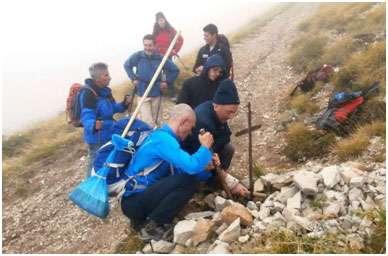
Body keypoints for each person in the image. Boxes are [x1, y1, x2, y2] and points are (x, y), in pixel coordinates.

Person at [120, 104, 214, 241]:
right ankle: (153, 226)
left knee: (187, 179)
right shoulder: (163, 140)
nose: (190, 132)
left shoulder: (163, 138)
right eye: (191, 127)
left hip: (137, 199)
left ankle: (144, 222)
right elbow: (191, 167)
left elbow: (180, 171)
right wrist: (205, 147)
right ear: (183, 122)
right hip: (134, 201)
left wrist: (205, 168)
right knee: (188, 182)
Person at [182, 79, 249, 197]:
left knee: (228, 149)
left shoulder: (217, 112)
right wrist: (232, 183)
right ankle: (199, 186)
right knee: (214, 157)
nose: (231, 116)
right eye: (229, 112)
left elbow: (226, 136)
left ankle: (213, 182)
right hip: (189, 155)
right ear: (216, 105)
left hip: (206, 151)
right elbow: (208, 154)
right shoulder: (203, 120)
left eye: (234, 112)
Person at [80, 62, 130, 177]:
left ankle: (105, 180)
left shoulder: (105, 91)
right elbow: (86, 115)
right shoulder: (88, 93)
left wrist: (123, 104)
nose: (109, 77)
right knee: (95, 161)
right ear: (97, 78)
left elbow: (111, 108)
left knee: (107, 157)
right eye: (106, 75)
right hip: (96, 136)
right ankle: (89, 187)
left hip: (109, 131)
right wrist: (93, 124)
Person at [124, 34, 180, 127]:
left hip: (156, 92)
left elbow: (175, 70)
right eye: (145, 45)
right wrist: (133, 78)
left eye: (150, 45)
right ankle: (149, 139)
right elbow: (127, 65)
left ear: (155, 45)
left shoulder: (160, 58)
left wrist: (166, 82)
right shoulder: (138, 56)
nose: (147, 48)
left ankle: (157, 138)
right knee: (147, 122)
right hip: (142, 92)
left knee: (157, 120)